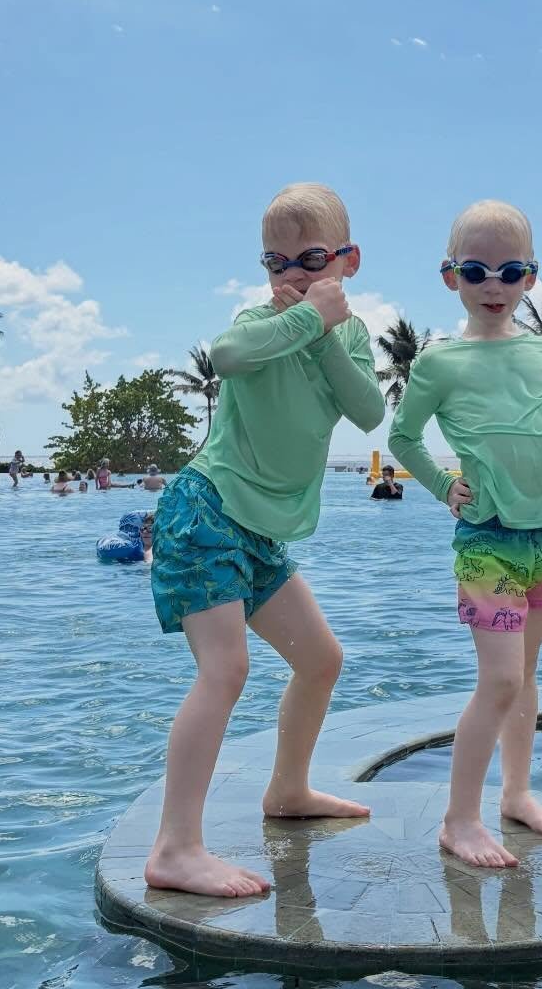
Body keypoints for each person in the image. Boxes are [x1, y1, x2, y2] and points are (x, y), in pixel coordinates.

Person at [147, 181, 384, 898]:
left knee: (321, 659)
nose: (292, 275)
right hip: (207, 511)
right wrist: (305, 319)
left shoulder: (351, 335)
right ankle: (175, 848)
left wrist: (324, 331)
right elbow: (226, 355)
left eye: (311, 259)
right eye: (275, 261)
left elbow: (368, 410)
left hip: (258, 536)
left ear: (348, 261)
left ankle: (288, 790)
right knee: (225, 670)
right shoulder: (257, 322)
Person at [390, 198, 542, 870]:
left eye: (511, 273)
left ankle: (517, 793)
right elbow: (403, 436)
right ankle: (458, 819)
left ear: (531, 278)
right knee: (500, 681)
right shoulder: (441, 363)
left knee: (526, 676)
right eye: (476, 271)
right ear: (451, 277)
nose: (494, 287)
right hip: (490, 541)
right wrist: (443, 486)